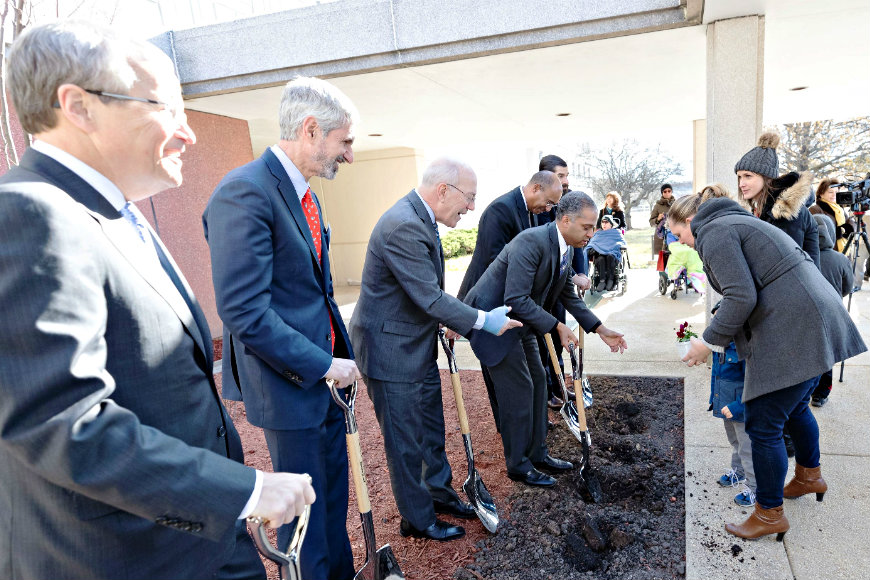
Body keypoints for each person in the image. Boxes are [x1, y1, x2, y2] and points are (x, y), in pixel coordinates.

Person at [0, 21, 314, 580]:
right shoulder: (30, 214)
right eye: (167, 108)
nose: (187, 133)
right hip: (128, 557)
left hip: (191, 542)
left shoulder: (112, 211)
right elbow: (64, 424)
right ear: (79, 107)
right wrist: (243, 491)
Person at [203, 76, 360, 579]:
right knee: (306, 523)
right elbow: (245, 313)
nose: (350, 155)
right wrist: (323, 365)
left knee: (331, 505)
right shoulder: (244, 192)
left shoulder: (303, 193)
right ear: (311, 130)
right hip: (289, 386)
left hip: (324, 383)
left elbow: (314, 292)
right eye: (344, 141)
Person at [670, 191, 866, 541]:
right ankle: (809, 476)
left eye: (679, 234)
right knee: (795, 408)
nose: (681, 241)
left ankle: (769, 513)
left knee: (763, 424)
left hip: (797, 329)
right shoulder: (736, 221)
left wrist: (707, 342)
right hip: (816, 318)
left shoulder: (712, 230)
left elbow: (741, 295)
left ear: (690, 221)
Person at [348, 158, 521, 542]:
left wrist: (446, 319)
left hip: (414, 343)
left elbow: (420, 292)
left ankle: (439, 495)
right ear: (443, 190)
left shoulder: (420, 218)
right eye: (469, 197)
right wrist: (482, 320)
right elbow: (429, 296)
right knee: (405, 441)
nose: (472, 207)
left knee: (430, 430)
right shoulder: (404, 225)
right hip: (390, 352)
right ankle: (417, 519)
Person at [464, 192, 628, 488]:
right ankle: (518, 465)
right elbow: (516, 298)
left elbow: (567, 294)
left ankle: (538, 453)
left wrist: (601, 329)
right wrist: (557, 326)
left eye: (593, 227)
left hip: (521, 324)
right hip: (496, 324)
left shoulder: (564, 248)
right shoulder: (531, 242)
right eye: (586, 227)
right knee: (519, 392)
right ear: (565, 220)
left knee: (539, 382)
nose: (591, 234)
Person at [457, 170, 564, 426]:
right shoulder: (501, 210)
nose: (548, 209)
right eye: (548, 202)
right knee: (497, 367)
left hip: (511, 299)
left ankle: (528, 421)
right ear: (535, 188)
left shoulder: (531, 210)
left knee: (523, 370)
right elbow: (495, 262)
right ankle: (507, 426)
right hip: (489, 299)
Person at [735, 131, 820, 268]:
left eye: (748, 176)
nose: (741, 184)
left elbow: (787, 265)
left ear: (766, 177)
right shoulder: (762, 209)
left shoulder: (786, 212)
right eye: (739, 177)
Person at [810, 214, 854, 407]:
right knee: (827, 354)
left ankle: (805, 391)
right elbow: (847, 288)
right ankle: (820, 394)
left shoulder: (801, 256)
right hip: (831, 314)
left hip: (806, 313)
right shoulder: (841, 259)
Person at [809, 177, 852, 253]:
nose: (834, 195)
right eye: (830, 192)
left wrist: (848, 228)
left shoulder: (839, 208)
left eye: (836, 192)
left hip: (844, 248)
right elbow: (818, 232)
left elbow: (850, 222)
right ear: (821, 194)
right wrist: (839, 231)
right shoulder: (815, 209)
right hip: (828, 251)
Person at [587, 214, 625, 292]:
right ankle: (602, 281)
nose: (604, 224)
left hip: (612, 255)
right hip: (599, 256)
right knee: (600, 259)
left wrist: (617, 246)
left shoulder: (617, 233)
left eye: (606, 222)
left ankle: (611, 279)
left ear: (611, 224)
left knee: (610, 256)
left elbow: (622, 242)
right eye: (602, 222)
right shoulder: (598, 234)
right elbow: (592, 243)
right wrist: (592, 248)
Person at [650, 183, 674, 256]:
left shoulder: (676, 204)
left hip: (674, 234)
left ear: (672, 192)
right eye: (665, 191)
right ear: (662, 193)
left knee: (675, 255)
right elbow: (651, 222)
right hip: (661, 235)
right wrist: (658, 219)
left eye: (669, 191)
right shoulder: (658, 205)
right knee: (663, 258)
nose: (667, 193)